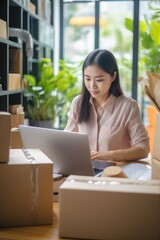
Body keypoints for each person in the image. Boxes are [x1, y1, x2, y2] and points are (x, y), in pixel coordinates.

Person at [65, 49, 150, 163]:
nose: (92, 86)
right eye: (87, 78)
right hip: (83, 170)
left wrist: (109, 155)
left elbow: (143, 149)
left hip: (115, 174)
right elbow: (66, 139)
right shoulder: (78, 103)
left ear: (113, 76)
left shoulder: (128, 107)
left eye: (99, 80)